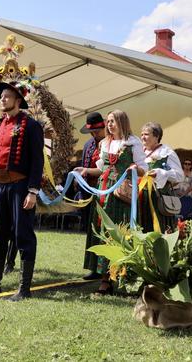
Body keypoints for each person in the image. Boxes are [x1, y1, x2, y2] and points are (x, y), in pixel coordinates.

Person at [0, 81, 44, 301]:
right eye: (1, 96)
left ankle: (24, 289)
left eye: (7, 96)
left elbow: (37, 161)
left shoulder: (31, 125)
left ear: (18, 100)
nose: (2, 99)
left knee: (22, 234)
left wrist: (32, 191)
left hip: (20, 186)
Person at [86, 110, 146, 295]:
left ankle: (125, 275)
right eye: (108, 122)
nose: (109, 125)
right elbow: (101, 168)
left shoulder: (133, 143)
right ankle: (104, 278)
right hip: (104, 192)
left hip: (122, 194)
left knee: (120, 232)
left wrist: (136, 168)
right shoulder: (104, 143)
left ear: (122, 122)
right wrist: (85, 170)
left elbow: (145, 168)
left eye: (113, 121)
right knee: (103, 232)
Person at [72, 111, 105, 281]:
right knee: (91, 230)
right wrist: (80, 178)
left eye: (97, 131)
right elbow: (84, 164)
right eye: (92, 132)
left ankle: (103, 269)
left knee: (102, 231)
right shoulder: (88, 145)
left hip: (104, 192)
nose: (94, 134)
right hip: (88, 192)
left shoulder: (110, 145)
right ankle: (93, 267)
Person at [139, 122, 183, 233]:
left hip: (157, 198)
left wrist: (161, 173)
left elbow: (179, 175)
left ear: (156, 136)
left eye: (146, 134)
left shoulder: (167, 153)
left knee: (158, 230)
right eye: (142, 134)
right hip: (140, 198)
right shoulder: (139, 152)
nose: (143, 137)